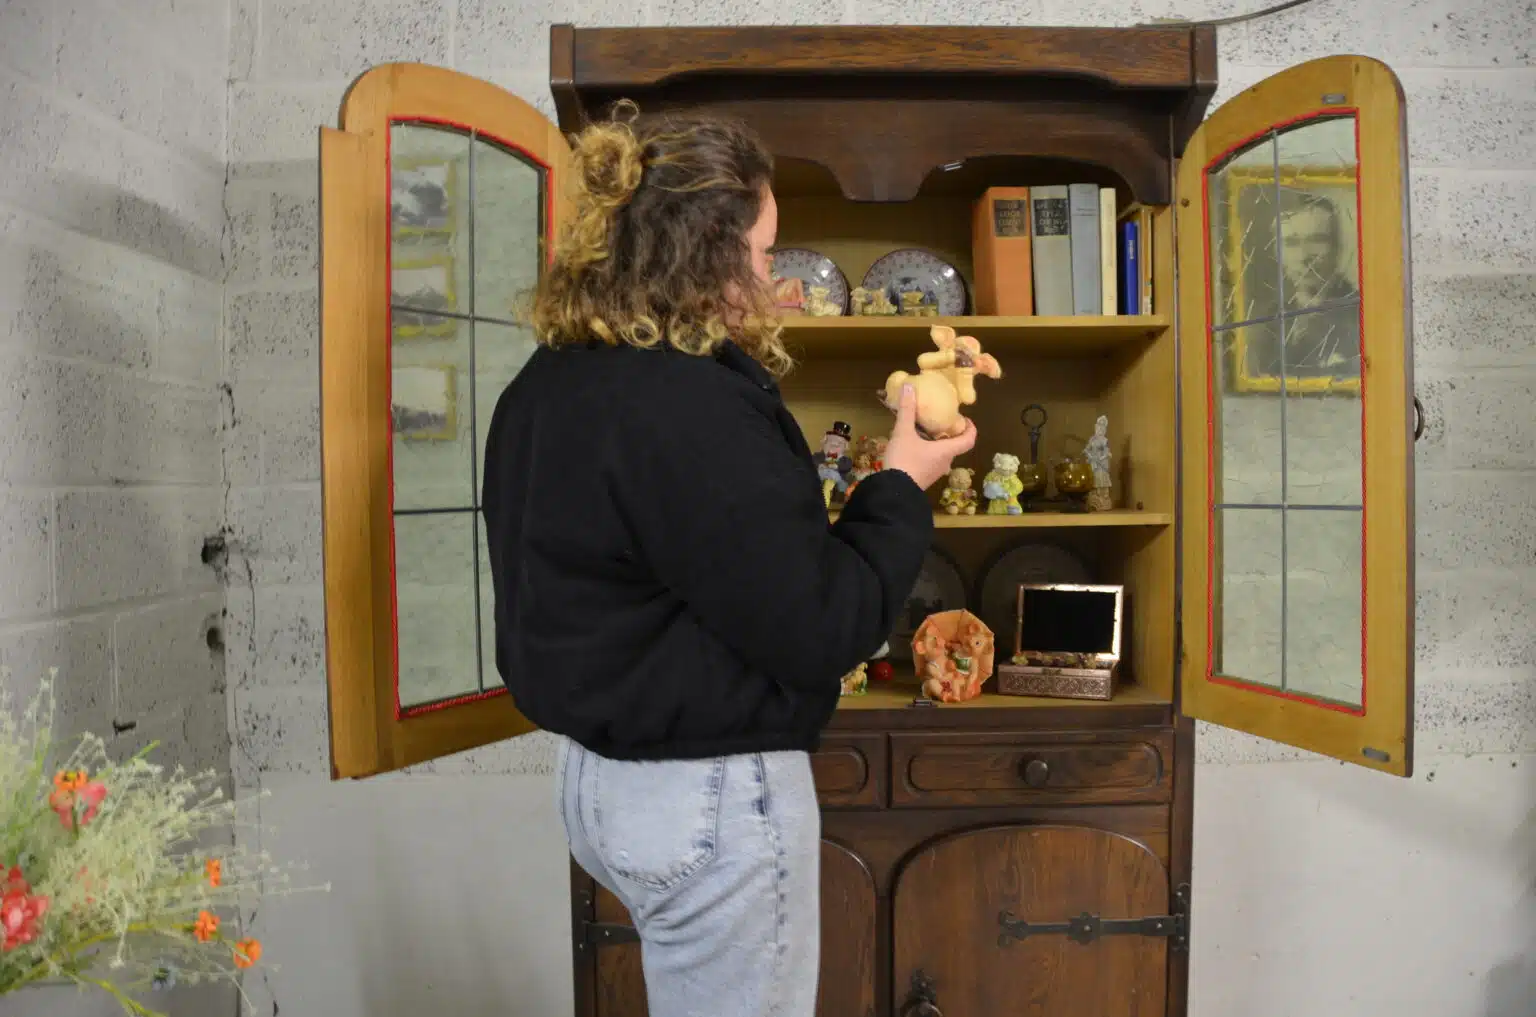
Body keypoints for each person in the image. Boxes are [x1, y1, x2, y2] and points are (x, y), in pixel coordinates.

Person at [480, 103, 975, 1017]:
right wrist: (902, 480)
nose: (772, 280)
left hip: (595, 781)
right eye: (762, 252)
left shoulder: (545, 383)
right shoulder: (687, 404)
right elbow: (821, 625)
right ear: (705, 255)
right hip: (703, 794)